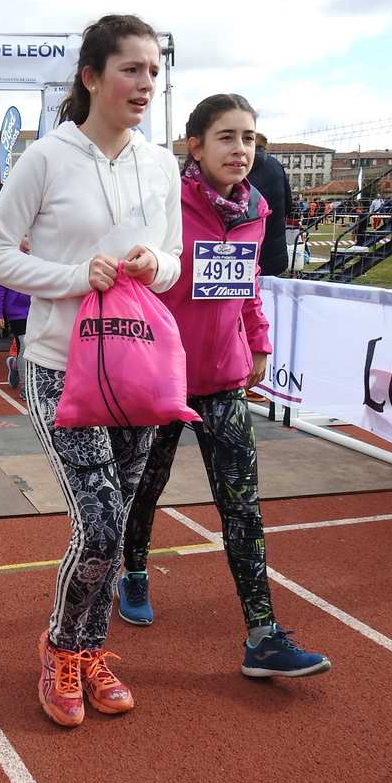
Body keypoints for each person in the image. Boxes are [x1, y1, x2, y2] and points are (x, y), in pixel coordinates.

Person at [0, 13, 182, 727]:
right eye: (132, 69)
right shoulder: (47, 159)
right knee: (97, 525)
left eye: (154, 71)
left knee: (119, 526)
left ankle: (91, 651)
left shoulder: (162, 165)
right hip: (61, 364)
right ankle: (61, 648)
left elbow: (175, 261)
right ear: (92, 77)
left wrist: (156, 264)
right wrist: (73, 275)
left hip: (137, 370)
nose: (146, 84)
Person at [117, 93, 331, 676]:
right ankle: (133, 568)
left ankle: (262, 634)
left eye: (250, 139)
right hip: (162, 381)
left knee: (243, 506)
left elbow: (248, 285)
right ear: (197, 146)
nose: (241, 150)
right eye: (228, 137)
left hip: (224, 380)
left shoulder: (257, 210)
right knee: (146, 487)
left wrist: (257, 340)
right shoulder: (167, 204)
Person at [247, 131, 294, 275]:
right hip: (275, 250)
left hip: (246, 253)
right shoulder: (276, 166)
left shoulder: (236, 165)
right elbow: (289, 205)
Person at [0, 255, 30, 391]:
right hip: (16, 311)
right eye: (24, 236)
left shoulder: (38, 257)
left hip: (36, 309)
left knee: (34, 347)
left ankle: (14, 366)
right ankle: (26, 386)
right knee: (24, 345)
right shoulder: (8, 260)